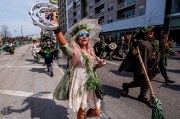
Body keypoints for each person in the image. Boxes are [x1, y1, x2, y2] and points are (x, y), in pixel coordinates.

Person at [52, 15, 107, 119]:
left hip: (91, 82)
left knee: (97, 111)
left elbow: (93, 67)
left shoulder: (91, 51)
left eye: (86, 34)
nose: (84, 36)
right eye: (81, 34)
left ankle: (88, 117)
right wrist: (57, 29)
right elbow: (64, 46)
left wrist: (99, 64)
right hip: (79, 83)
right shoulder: (75, 52)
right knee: (82, 110)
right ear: (77, 37)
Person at [119, 26, 154, 105]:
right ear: (144, 33)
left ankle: (142, 96)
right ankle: (126, 86)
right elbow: (134, 54)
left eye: (152, 32)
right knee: (144, 82)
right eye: (150, 32)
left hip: (149, 66)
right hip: (140, 66)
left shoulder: (151, 42)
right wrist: (135, 47)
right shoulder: (139, 42)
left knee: (147, 82)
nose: (152, 33)